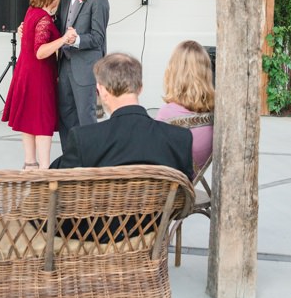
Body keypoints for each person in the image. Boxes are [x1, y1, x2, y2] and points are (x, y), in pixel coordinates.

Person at [49, 53, 192, 243]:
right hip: (149, 239)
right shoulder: (179, 139)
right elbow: (182, 201)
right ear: (140, 89)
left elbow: (51, 190)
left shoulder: (85, 139)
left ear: (102, 90)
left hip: (93, 244)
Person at [1, 0, 68, 169]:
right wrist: (63, 39)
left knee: (28, 121)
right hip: (39, 77)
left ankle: (30, 164)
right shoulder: (44, 20)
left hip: (25, 73)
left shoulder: (32, 12)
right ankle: (45, 171)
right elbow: (40, 52)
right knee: (42, 122)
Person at [53, 0, 109, 147]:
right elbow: (57, 26)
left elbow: (98, 38)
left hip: (85, 69)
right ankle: (70, 160)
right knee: (65, 117)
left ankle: (89, 165)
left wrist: (75, 40)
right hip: (65, 67)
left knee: (86, 119)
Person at [153, 40, 216, 181]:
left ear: (174, 72)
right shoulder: (215, 114)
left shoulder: (166, 114)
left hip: (169, 190)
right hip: (190, 183)